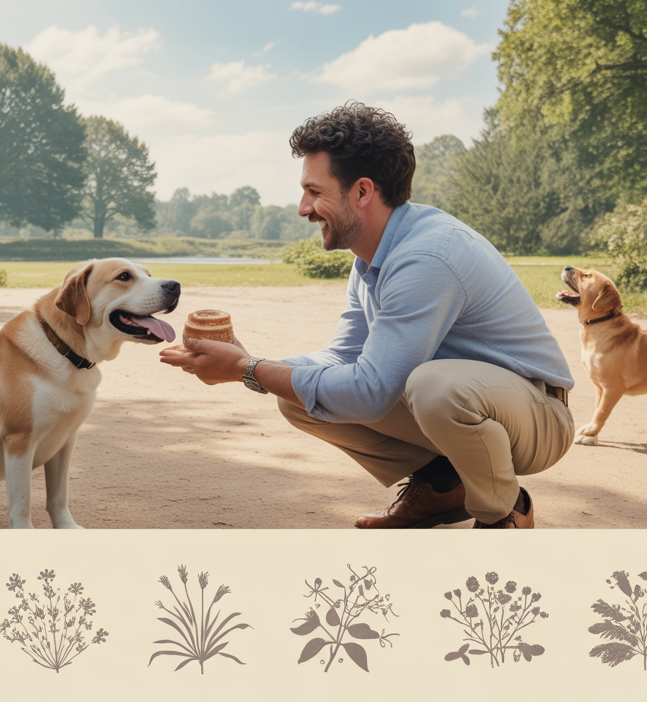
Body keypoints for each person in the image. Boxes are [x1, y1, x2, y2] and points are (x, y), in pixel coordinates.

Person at [159, 102, 575, 529]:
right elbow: (342, 357)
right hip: (478, 407)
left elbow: (371, 392)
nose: (303, 208)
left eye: (315, 192)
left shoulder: (427, 256)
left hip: (537, 414)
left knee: (433, 387)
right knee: (298, 396)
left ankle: (503, 512)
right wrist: (253, 364)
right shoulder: (372, 257)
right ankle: (443, 486)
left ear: (362, 191)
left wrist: (248, 370)